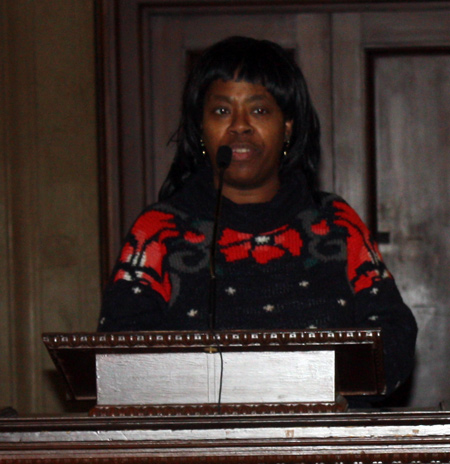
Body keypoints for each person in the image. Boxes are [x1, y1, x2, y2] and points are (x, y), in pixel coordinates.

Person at [98, 36, 417, 400]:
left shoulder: (335, 223)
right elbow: (117, 357)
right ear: (200, 128)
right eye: (221, 111)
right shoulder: (159, 231)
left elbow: (394, 335)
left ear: (288, 127)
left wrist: (320, 384)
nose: (240, 126)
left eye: (259, 110)